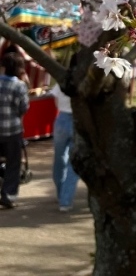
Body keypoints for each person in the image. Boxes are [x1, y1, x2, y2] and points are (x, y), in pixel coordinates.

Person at [0, 53, 29, 209]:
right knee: (13, 164)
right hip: (13, 131)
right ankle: (8, 195)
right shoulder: (20, 86)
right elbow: (24, 108)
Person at [51, 80, 79, 212]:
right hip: (77, 120)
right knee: (74, 162)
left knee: (59, 158)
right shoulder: (82, 83)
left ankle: (60, 191)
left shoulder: (61, 83)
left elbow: (56, 101)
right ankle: (65, 200)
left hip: (61, 118)